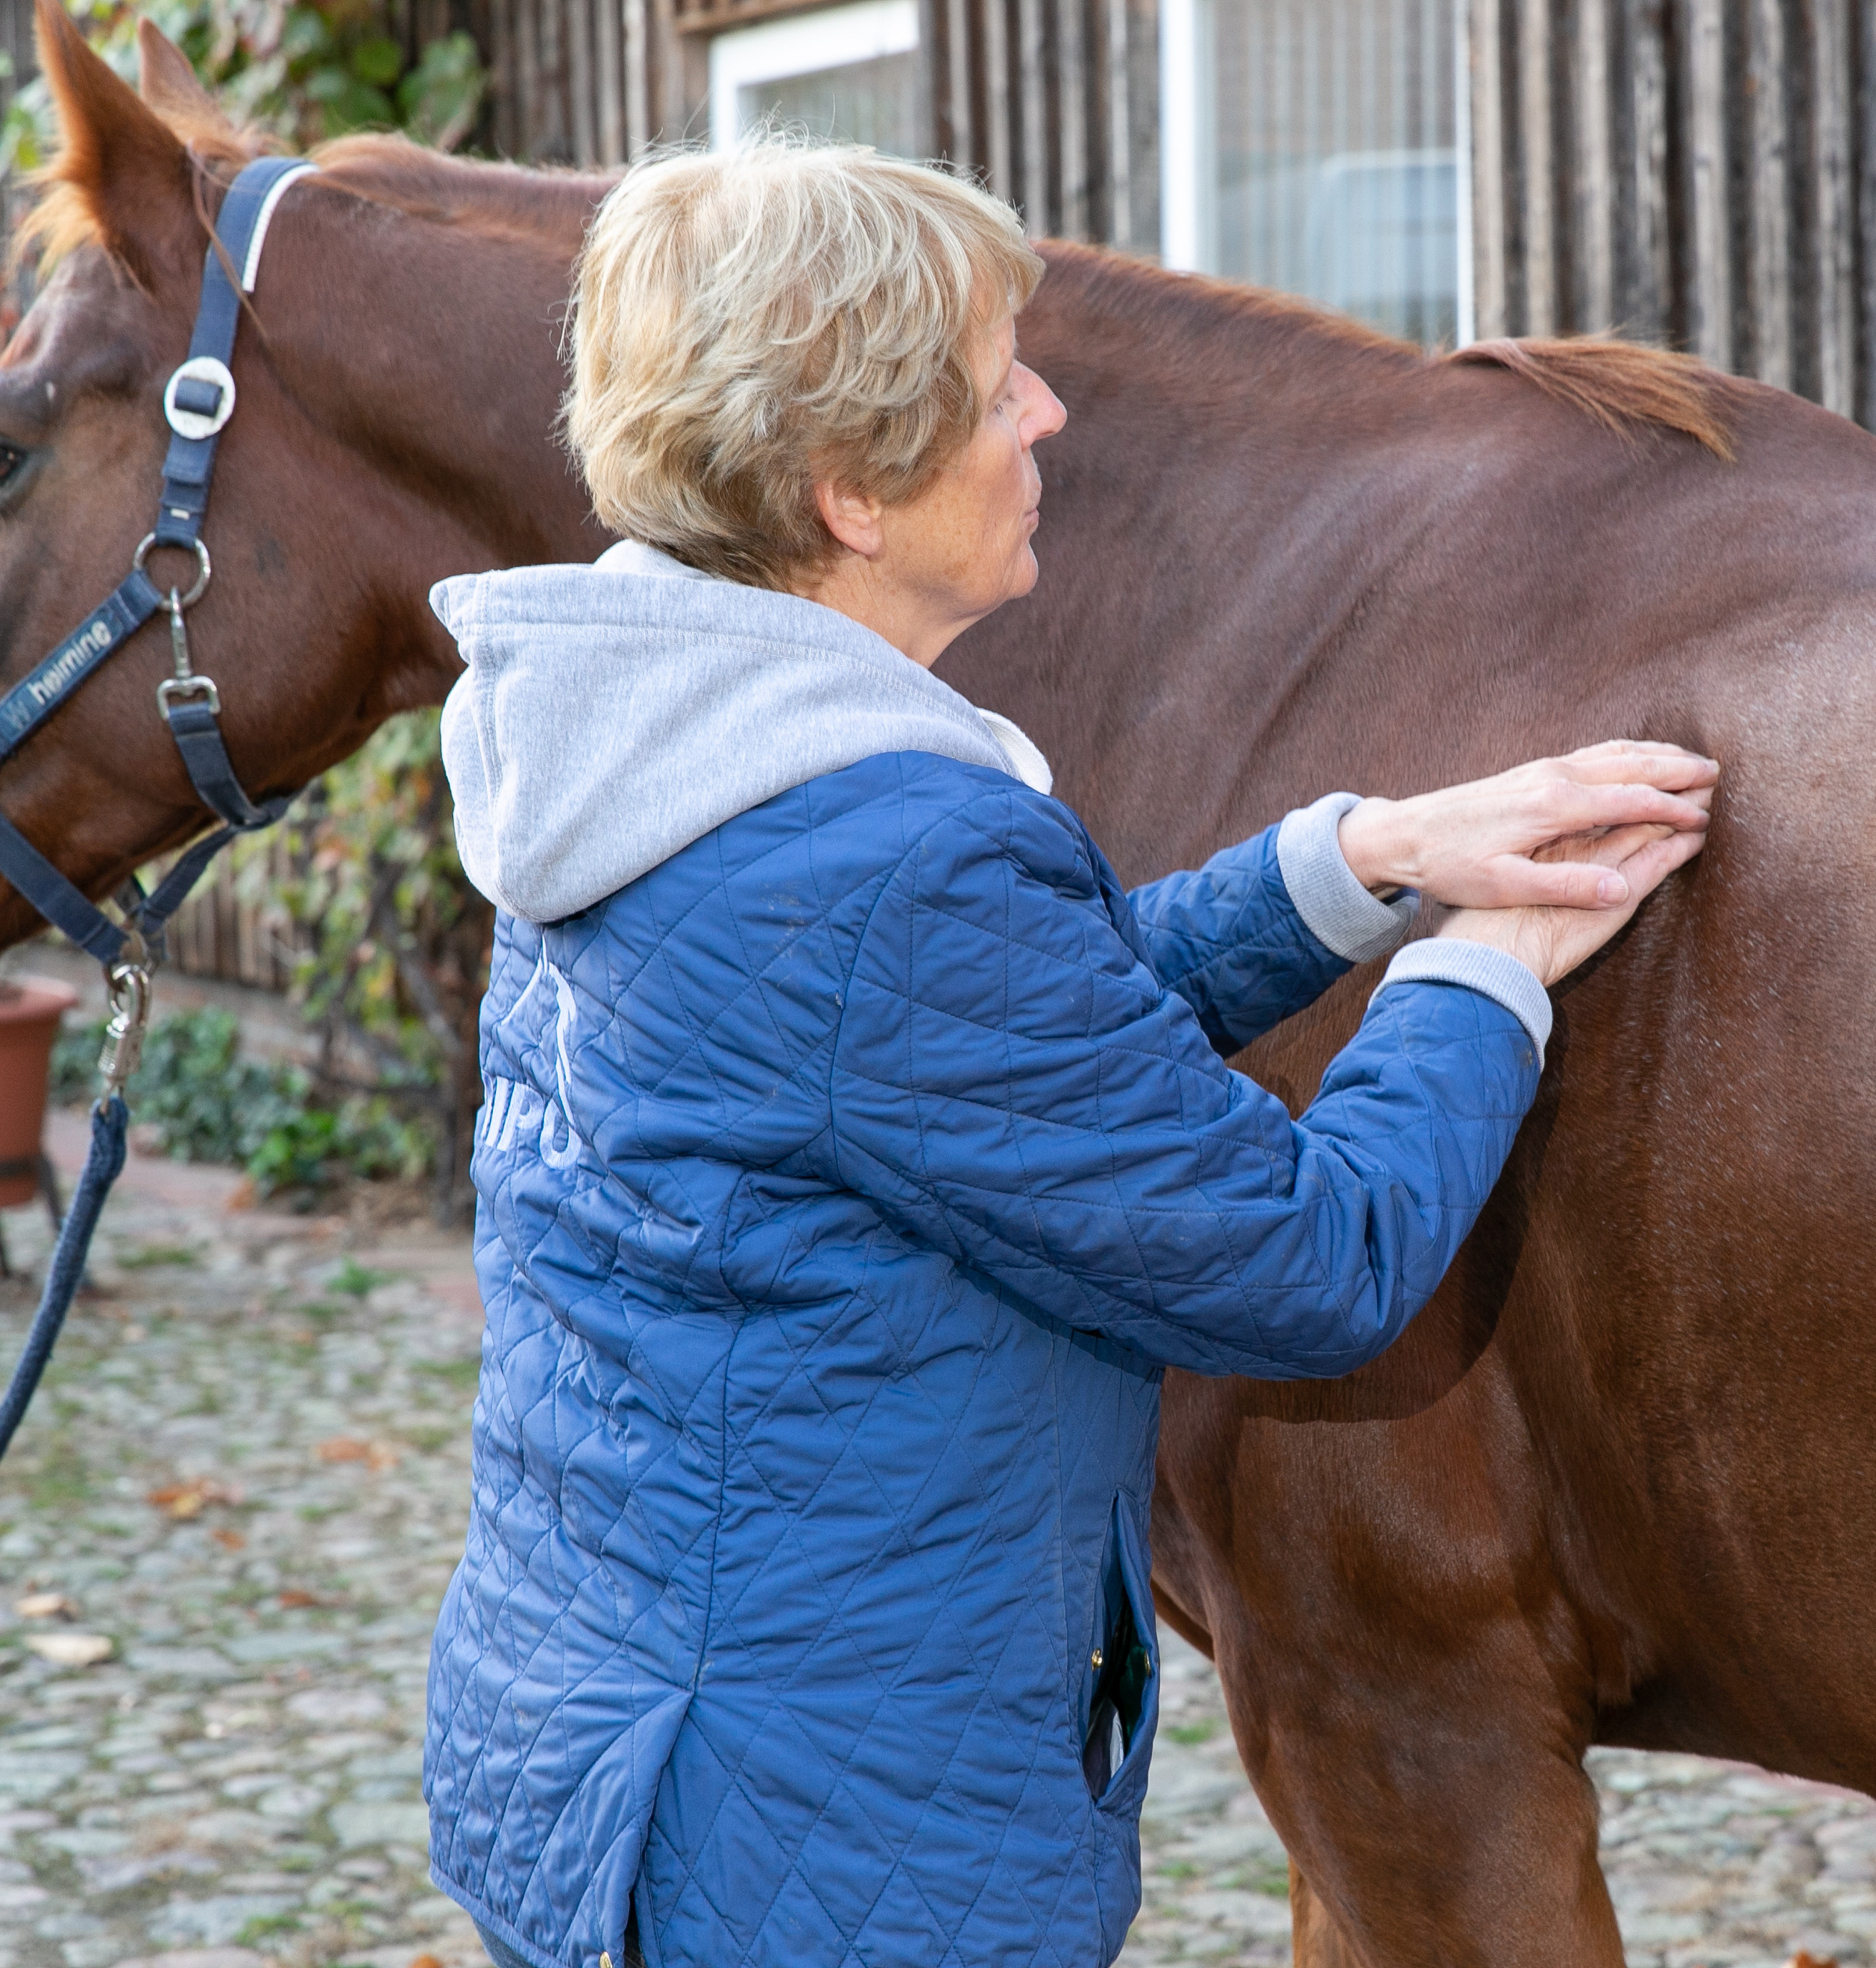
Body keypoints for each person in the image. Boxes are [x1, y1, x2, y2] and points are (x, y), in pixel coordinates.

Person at [421, 140, 1717, 1968]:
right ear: (847, 492)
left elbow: (989, 1045)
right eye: (990, 383)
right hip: (830, 1851)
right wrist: (1486, 971)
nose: (1045, 411)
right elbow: (1304, 1258)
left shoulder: (642, 749)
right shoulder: (884, 855)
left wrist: (1355, 864)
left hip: (621, 1751)